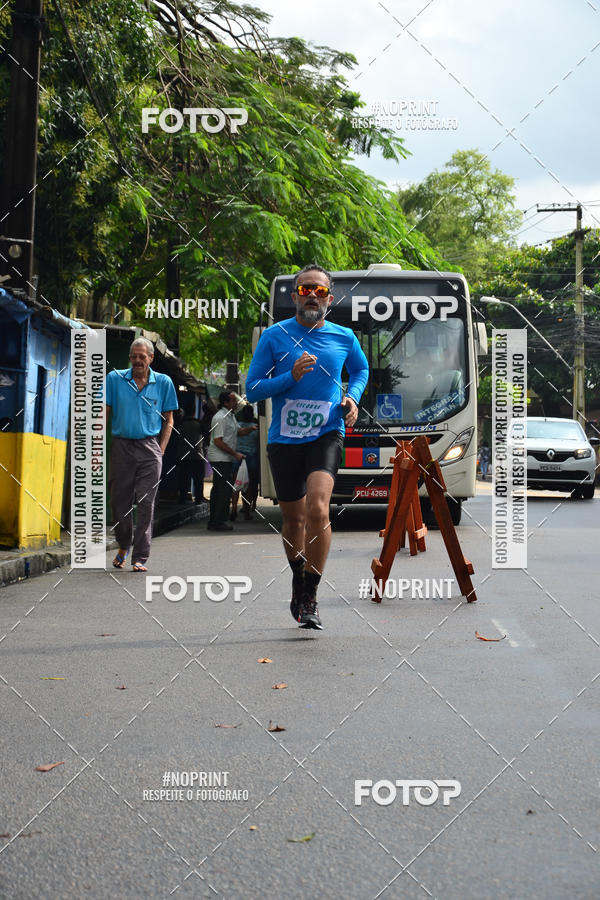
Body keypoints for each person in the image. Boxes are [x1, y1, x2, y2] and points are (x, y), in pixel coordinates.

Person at [246, 263, 369, 630]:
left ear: (329, 298)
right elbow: (253, 389)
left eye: (318, 290)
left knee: (318, 508)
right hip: (284, 439)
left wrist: (353, 398)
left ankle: (311, 593)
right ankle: (298, 577)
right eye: (304, 290)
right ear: (294, 296)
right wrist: (290, 376)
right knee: (294, 518)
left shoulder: (344, 337)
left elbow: (360, 371)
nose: (312, 295)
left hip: (326, 432)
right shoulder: (274, 336)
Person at [106, 337, 178, 571]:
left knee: (146, 502)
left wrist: (161, 449)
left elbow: (169, 420)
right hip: (121, 446)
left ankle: (140, 556)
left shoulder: (164, 382)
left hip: (149, 448)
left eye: (142, 356)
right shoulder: (115, 379)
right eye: (134, 356)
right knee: (119, 502)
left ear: (150, 358)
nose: (137, 360)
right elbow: (104, 412)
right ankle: (124, 543)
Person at [206, 390, 244, 531]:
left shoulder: (230, 416)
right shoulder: (220, 417)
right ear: (226, 403)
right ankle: (218, 521)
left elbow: (238, 432)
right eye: (233, 400)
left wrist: (252, 428)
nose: (236, 403)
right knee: (223, 490)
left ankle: (214, 520)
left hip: (225, 458)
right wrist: (235, 454)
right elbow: (218, 441)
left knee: (219, 489)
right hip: (220, 458)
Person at [230, 405, 259, 521]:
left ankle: (234, 508)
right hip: (251, 457)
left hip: (237, 456)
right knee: (248, 485)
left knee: (235, 484)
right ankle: (246, 512)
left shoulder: (237, 425)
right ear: (252, 415)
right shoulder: (256, 427)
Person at [177, 396, 206, 504]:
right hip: (198, 455)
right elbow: (206, 437)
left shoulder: (180, 424)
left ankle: (182, 499)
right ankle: (198, 499)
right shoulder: (199, 424)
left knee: (183, 479)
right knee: (198, 480)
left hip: (183, 455)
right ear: (194, 411)